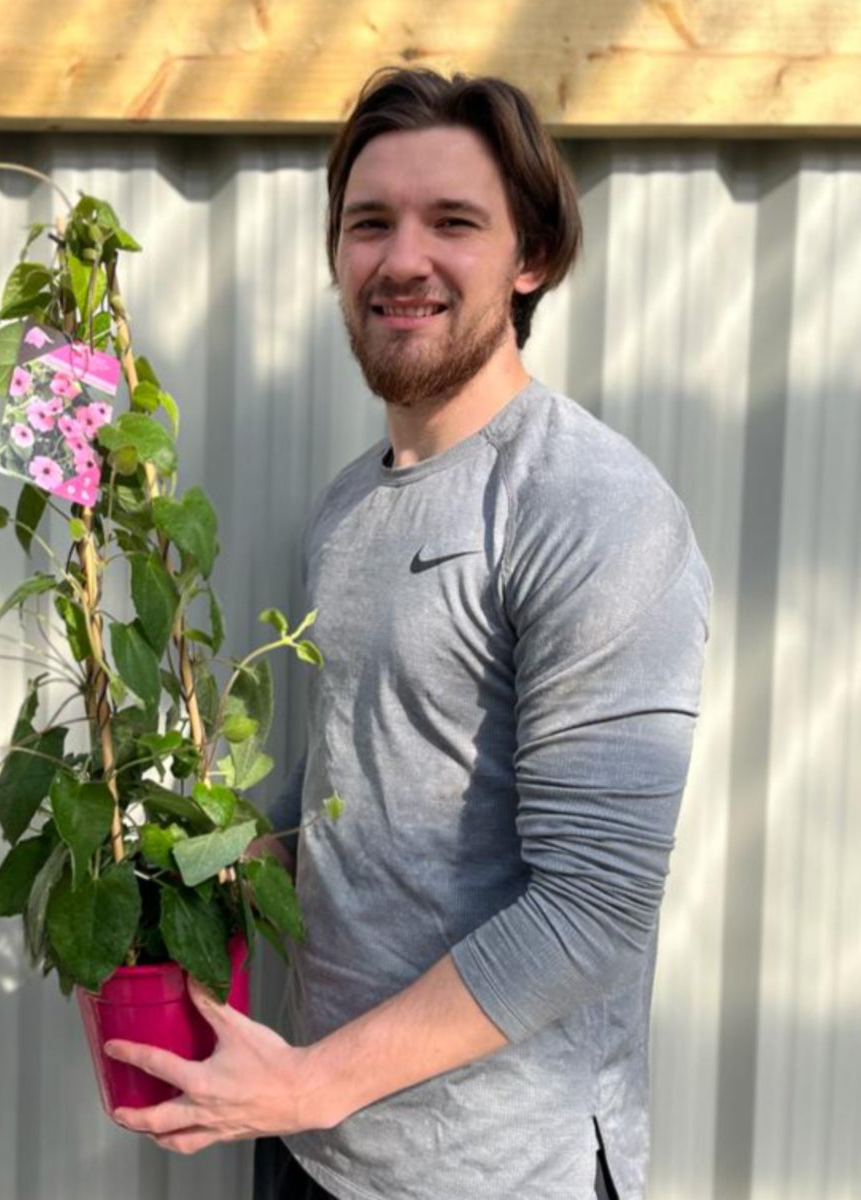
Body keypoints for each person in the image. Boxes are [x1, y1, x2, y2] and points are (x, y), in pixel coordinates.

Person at [106, 67, 711, 1200]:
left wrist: (313, 1084)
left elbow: (596, 905)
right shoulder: (349, 507)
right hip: (321, 1146)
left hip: (496, 1169)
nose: (401, 259)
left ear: (531, 258)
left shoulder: (594, 509)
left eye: (454, 223)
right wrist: (196, 869)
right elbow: (354, 772)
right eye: (368, 223)